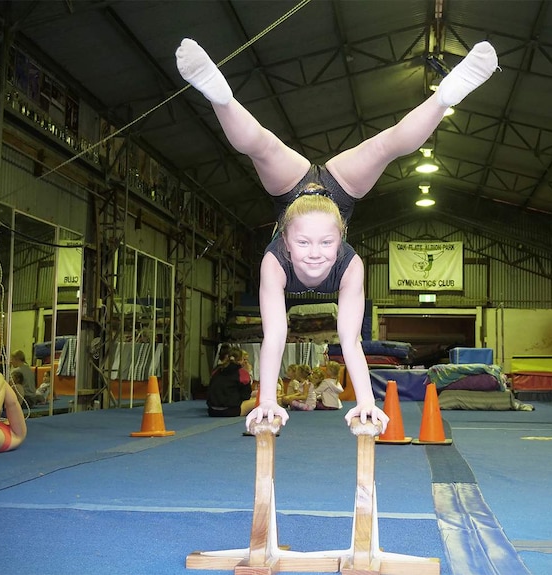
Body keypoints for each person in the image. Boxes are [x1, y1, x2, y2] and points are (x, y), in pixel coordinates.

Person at [175, 37, 498, 432]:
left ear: (341, 234)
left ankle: (446, 94)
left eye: (327, 244)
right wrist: (266, 402)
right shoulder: (274, 263)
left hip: (306, 189)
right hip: (317, 193)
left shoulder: (350, 265)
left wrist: (366, 402)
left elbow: (350, 339)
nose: (315, 254)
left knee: (387, 144)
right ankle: (219, 95)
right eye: (304, 244)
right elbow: (275, 334)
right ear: (286, 239)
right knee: (257, 143)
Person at [207, 346, 256, 417]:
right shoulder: (242, 372)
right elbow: (246, 396)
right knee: (261, 400)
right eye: (244, 360)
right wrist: (248, 372)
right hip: (230, 411)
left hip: (212, 410)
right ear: (240, 360)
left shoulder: (217, 370)